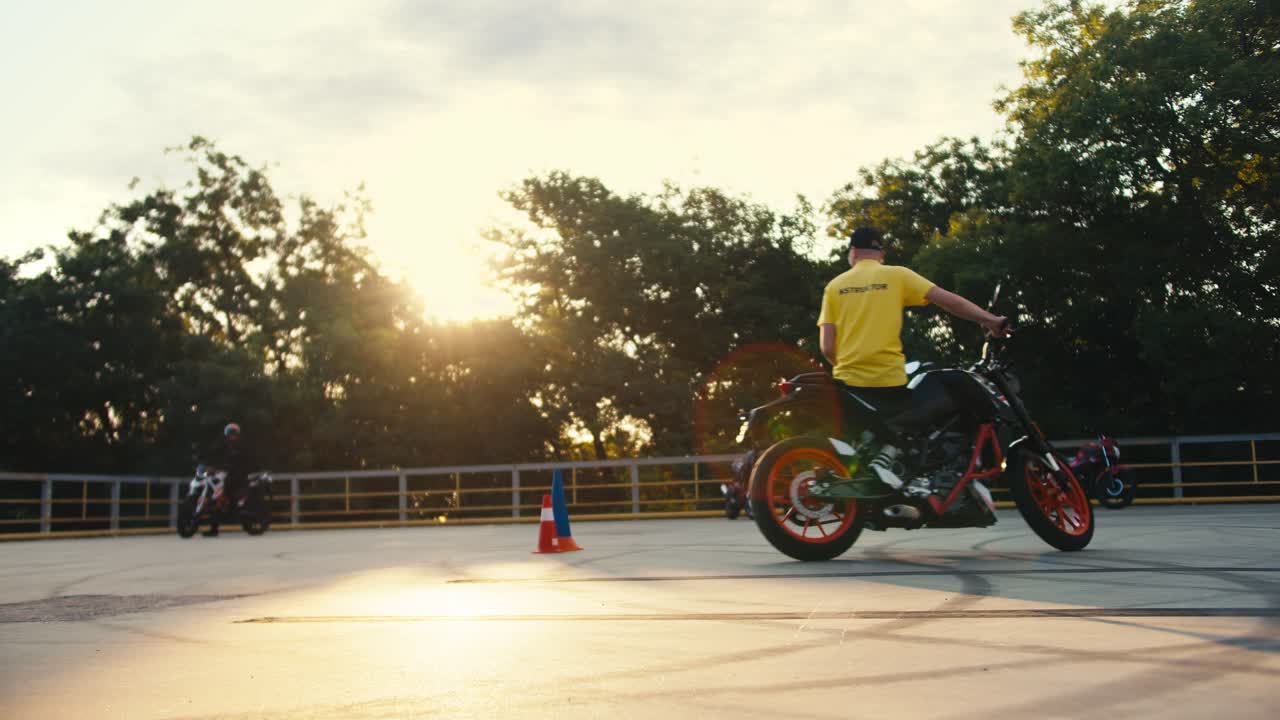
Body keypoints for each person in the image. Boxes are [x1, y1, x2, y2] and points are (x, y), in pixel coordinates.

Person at [818, 227, 1006, 490]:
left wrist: (850, 366)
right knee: (945, 392)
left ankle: (886, 459)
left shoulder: (834, 287)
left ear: (853, 253)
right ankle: (940, 471)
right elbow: (948, 301)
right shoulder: (896, 275)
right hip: (889, 381)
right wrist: (991, 320)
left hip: (849, 385)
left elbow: (827, 347)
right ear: (880, 253)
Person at [202, 422, 254, 537]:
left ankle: (245, 518)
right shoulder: (223, 445)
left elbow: (247, 462)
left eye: (233, 434)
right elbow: (213, 452)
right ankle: (214, 529)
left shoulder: (242, 446)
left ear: (237, 435)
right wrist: (206, 463)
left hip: (240, 476)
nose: (231, 436)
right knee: (217, 498)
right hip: (227, 475)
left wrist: (237, 470)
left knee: (236, 499)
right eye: (230, 434)